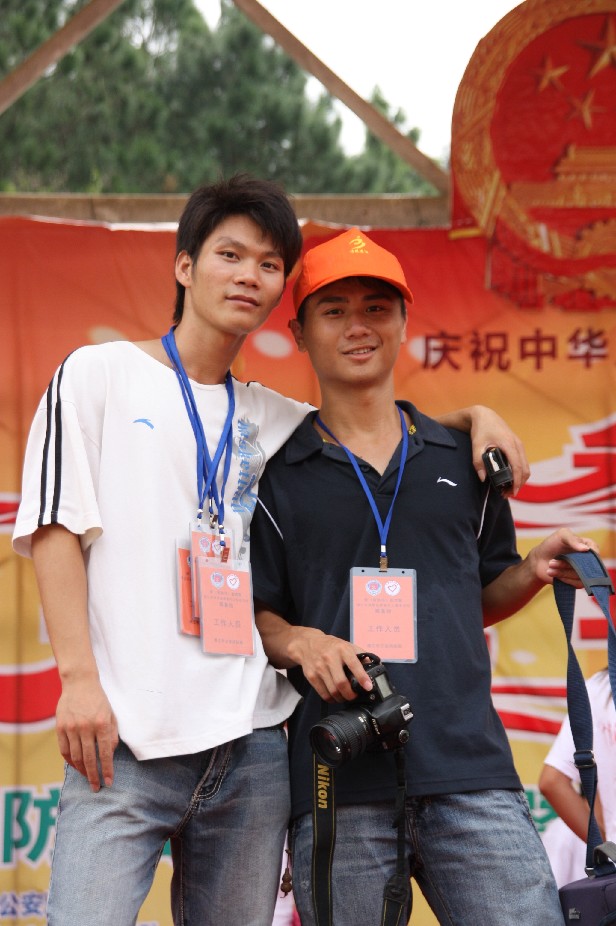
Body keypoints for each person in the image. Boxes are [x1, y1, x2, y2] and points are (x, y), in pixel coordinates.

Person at [12, 177, 529, 926]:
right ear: (185, 265)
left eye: (267, 264)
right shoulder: (98, 374)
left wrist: (476, 416)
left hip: (250, 749)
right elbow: (56, 528)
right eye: (229, 255)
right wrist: (78, 682)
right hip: (124, 738)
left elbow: (373, 422)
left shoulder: (272, 416)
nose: (247, 276)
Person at [249, 226, 600, 926]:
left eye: (377, 308)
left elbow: (478, 597)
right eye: (334, 310)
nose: (358, 326)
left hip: (471, 771)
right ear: (299, 333)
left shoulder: (463, 459)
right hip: (338, 779)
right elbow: (259, 615)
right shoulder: (275, 477)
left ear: (405, 321)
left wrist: (533, 569)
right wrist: (304, 642)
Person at [539, 667, 616, 887]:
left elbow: (552, 781)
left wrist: (608, 850)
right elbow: (552, 781)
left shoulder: (598, 686)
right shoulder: (598, 687)